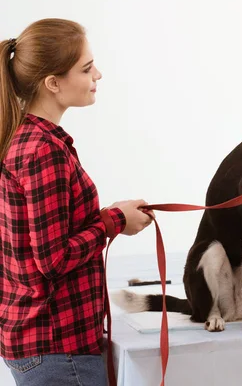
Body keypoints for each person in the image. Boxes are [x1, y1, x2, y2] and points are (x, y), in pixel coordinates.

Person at [0, 19, 153, 385]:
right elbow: (52, 260)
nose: (97, 74)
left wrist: (109, 218)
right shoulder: (42, 151)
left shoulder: (28, 137)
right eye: (86, 68)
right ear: (53, 83)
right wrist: (114, 221)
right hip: (57, 347)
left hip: (44, 343)